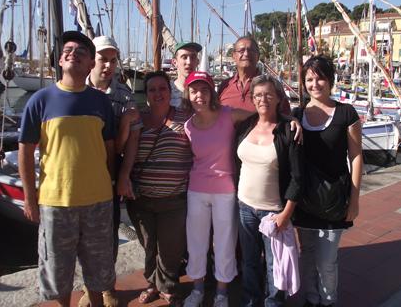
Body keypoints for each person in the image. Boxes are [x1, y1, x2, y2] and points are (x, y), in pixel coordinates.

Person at [18, 31, 117, 307]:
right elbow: (25, 152)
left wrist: (110, 184)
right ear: (60, 61)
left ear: (89, 65)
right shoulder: (39, 101)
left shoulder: (101, 103)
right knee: (57, 271)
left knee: (99, 269)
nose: (72, 52)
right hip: (54, 202)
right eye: (67, 50)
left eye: (81, 51)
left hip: (98, 201)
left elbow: (109, 149)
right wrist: (29, 198)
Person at [292, 55, 362, 307]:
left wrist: (354, 200)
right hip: (304, 200)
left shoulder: (346, 113)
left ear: (330, 80)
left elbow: (355, 157)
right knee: (307, 253)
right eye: (309, 79)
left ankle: (328, 300)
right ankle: (311, 298)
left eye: (320, 77)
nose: (314, 84)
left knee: (327, 259)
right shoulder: (296, 115)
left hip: (335, 199)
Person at [117, 71, 192, 306]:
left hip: (175, 198)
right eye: (152, 89)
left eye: (162, 89)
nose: (158, 93)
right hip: (141, 197)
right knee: (148, 246)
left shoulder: (186, 118)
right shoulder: (137, 119)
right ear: (146, 94)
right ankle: (152, 283)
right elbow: (120, 149)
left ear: (170, 92)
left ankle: (168, 287)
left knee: (171, 247)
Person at [181, 71, 253, 307]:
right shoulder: (188, 126)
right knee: (196, 242)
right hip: (196, 190)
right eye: (194, 91)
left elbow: (261, 118)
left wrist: (289, 120)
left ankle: (221, 292)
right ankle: (198, 289)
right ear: (188, 94)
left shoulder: (229, 115)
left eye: (203, 90)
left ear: (211, 92)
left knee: (225, 242)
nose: (199, 95)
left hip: (225, 190)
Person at [79, 35, 140, 307]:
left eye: (113, 60)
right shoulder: (76, 90)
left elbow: (133, 142)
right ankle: (88, 286)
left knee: (109, 233)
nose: (108, 65)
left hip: (109, 174)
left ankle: (107, 287)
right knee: (84, 236)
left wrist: (124, 175)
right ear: (92, 59)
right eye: (103, 59)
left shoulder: (124, 95)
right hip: (80, 177)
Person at [235, 74, 303, 307]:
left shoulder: (287, 130)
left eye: (268, 95)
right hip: (244, 207)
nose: (262, 99)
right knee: (249, 261)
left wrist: (286, 213)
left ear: (277, 99)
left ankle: (273, 303)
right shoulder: (246, 125)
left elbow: (297, 177)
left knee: (276, 265)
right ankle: (251, 301)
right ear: (252, 99)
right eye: (258, 95)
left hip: (273, 212)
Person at [218, 36, 290, 114]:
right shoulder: (224, 86)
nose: (246, 54)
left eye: (251, 50)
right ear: (233, 56)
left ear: (258, 56)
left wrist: (292, 120)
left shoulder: (273, 85)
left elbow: (286, 117)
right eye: (241, 51)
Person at [170, 41, 202, 108]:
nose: (189, 62)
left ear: (197, 62)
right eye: (184, 57)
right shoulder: (167, 91)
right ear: (174, 62)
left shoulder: (204, 92)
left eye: (193, 57)